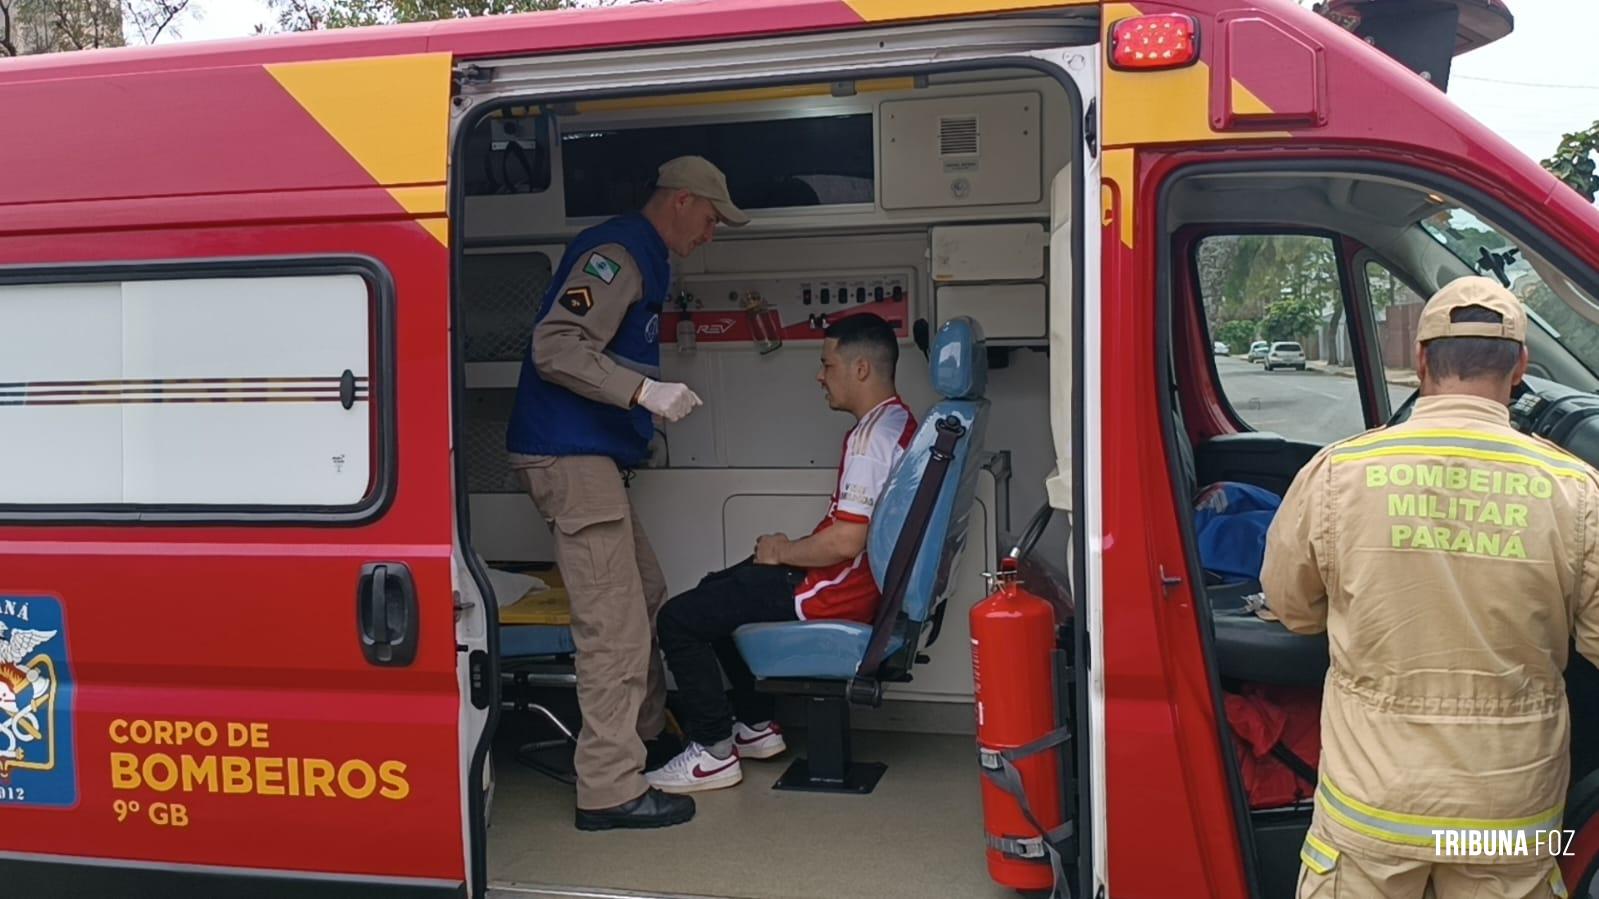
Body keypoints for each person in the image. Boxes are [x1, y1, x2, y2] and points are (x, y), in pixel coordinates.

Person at [1261, 276, 1599, 898]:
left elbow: (1293, 609)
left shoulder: (1339, 472)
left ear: (1419, 361)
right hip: (1511, 820)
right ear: (1521, 366)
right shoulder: (1576, 489)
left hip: (1372, 810)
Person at [506, 155, 748, 831]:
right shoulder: (617, 253)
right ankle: (609, 788)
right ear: (678, 201)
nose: (712, 231)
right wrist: (642, 393)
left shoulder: (648, 259)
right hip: (568, 455)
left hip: (592, 457)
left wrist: (636, 422)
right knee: (611, 624)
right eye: (710, 216)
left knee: (641, 596)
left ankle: (644, 741)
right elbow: (555, 347)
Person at [646, 313, 917, 793]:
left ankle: (712, 752)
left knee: (677, 620)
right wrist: (780, 553)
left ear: (859, 369)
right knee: (717, 592)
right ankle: (755, 727)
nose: (819, 376)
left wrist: (784, 552)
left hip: (832, 591)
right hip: (849, 582)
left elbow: (846, 541)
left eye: (826, 365)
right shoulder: (899, 423)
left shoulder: (870, 441)